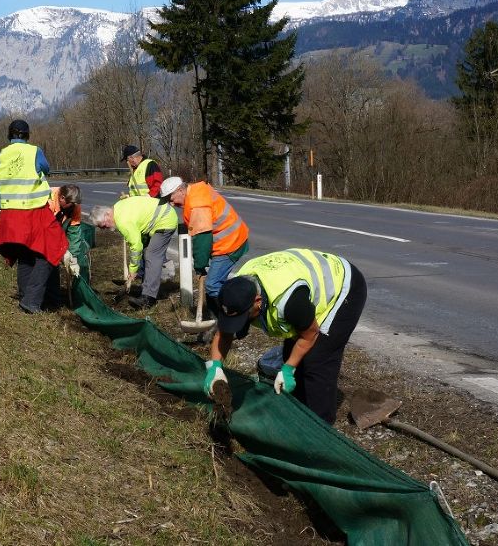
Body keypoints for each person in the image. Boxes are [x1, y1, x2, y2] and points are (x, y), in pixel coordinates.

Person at [203, 248, 367, 425]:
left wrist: (288, 370)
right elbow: (224, 333)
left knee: (317, 358)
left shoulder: (289, 301)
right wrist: (215, 367)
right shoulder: (233, 294)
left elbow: (309, 334)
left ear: (258, 301)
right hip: (299, 290)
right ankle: (296, 411)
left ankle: (319, 426)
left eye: (244, 316)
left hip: (344, 287)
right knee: (293, 353)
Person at [0, 119, 67, 313]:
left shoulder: (0, 156)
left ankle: (26, 297)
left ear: (9, 135)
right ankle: (32, 300)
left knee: (25, 254)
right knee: (53, 248)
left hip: (9, 214)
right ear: (27, 135)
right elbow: (46, 168)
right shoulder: (35, 151)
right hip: (33, 212)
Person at [159, 177, 249, 319]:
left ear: (180, 190)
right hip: (230, 239)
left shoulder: (197, 204)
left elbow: (202, 239)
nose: (171, 203)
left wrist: (200, 266)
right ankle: (216, 319)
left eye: (171, 198)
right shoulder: (195, 191)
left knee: (212, 285)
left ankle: (240, 312)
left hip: (230, 242)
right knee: (215, 283)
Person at [90, 196, 177, 309]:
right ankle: (146, 288)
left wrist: (133, 269)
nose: (104, 229)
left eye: (103, 226)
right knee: (147, 252)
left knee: (152, 255)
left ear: (107, 215)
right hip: (158, 218)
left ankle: (148, 299)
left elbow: (136, 247)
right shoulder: (117, 207)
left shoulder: (122, 221)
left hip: (164, 220)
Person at [48, 184, 90, 281]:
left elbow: (74, 231)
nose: (73, 208)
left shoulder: (74, 205)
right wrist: (61, 249)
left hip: (54, 227)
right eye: (71, 205)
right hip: (39, 233)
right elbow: (47, 231)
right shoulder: (48, 201)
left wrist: (73, 257)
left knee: (54, 266)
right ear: (62, 198)